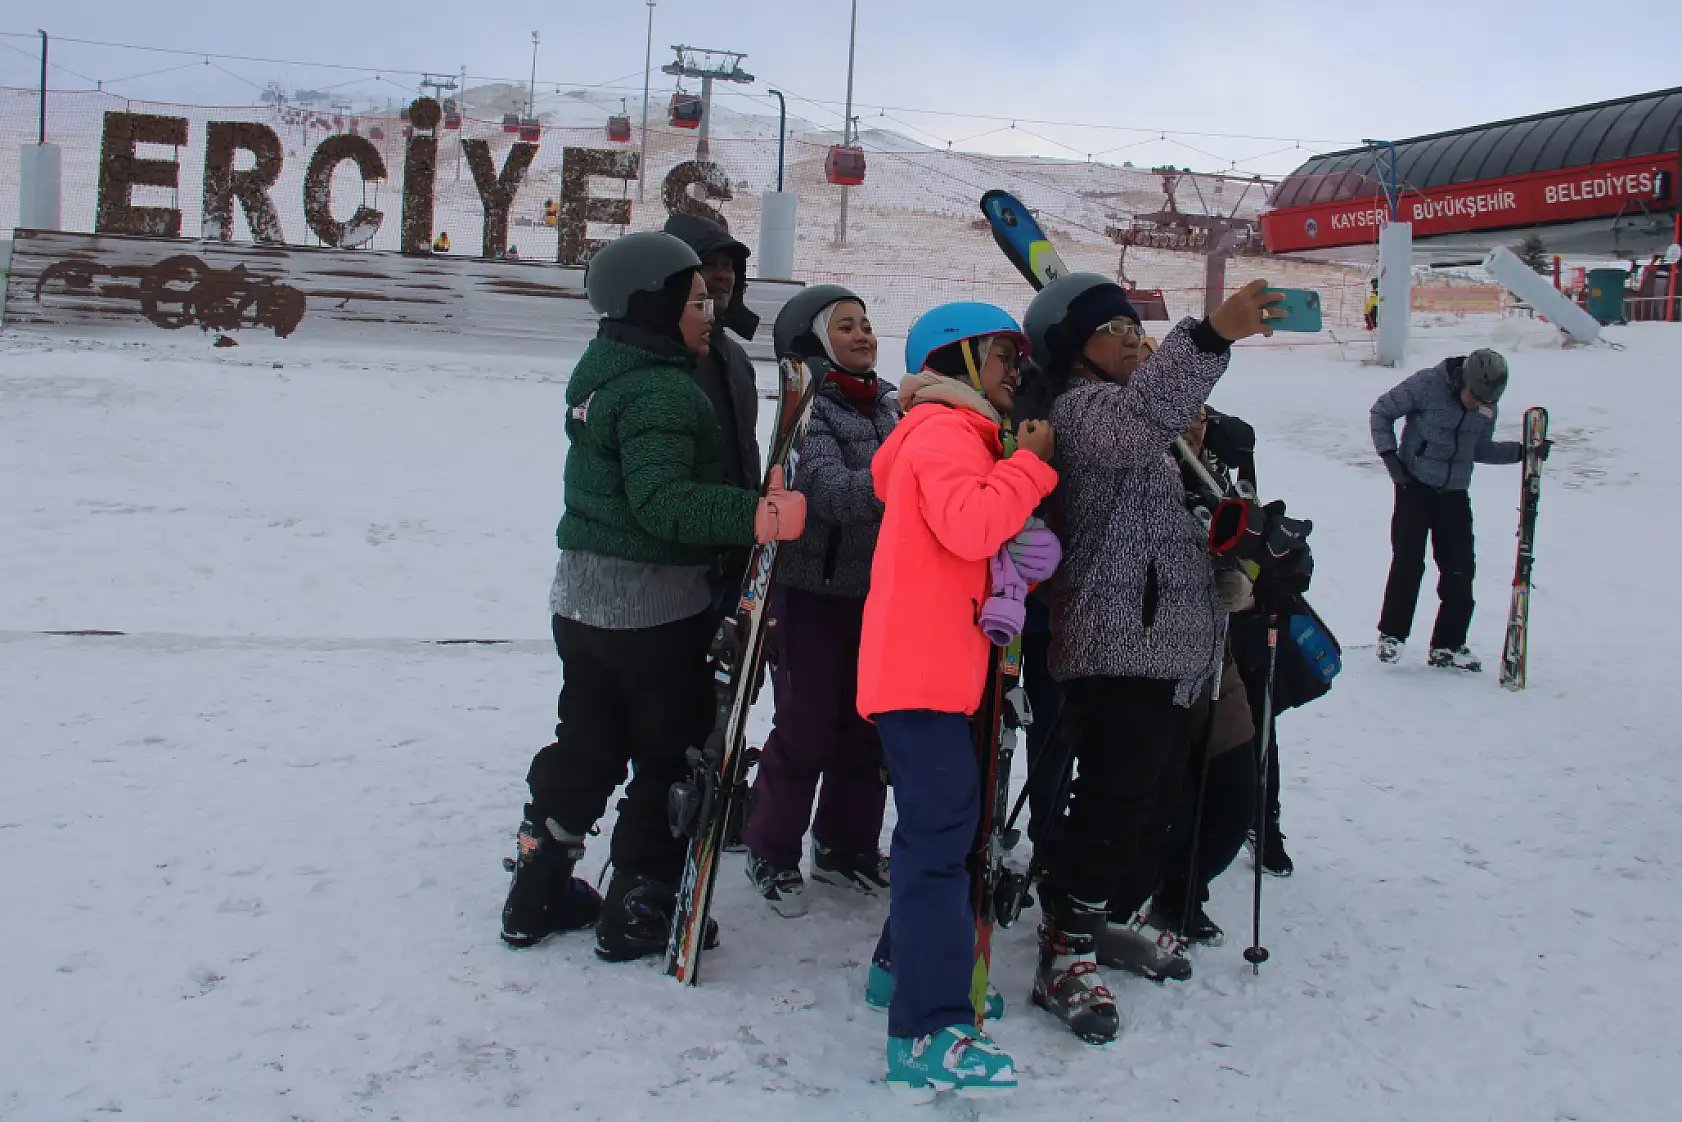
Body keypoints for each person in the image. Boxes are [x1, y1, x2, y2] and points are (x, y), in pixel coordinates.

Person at [497, 232, 807, 961]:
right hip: (653, 610)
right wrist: (754, 517)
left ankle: (538, 883)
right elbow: (662, 504)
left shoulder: (605, 372)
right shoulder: (663, 389)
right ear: (656, 305)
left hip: (582, 603)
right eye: (696, 300)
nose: (711, 311)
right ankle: (641, 898)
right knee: (669, 753)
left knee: (589, 742)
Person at [1024, 273, 1279, 1044]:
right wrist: (1210, 336)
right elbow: (1136, 423)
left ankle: (1100, 922)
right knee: (1113, 803)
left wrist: (1231, 558)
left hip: (1174, 645)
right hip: (1116, 644)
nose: (1136, 341)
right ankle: (1062, 949)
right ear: (1077, 351)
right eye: (1119, 332)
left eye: (1141, 329)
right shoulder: (1084, 410)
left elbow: (1164, 517)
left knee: (1153, 805)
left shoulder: (1156, 434)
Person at [860, 303, 1058, 1097]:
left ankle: (897, 970)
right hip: (923, 675)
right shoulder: (942, 433)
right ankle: (928, 1028)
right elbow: (972, 525)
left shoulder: (960, 435)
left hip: (938, 670)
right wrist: (1031, 468)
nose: (1017, 369)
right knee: (941, 845)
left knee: (937, 836)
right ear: (962, 360)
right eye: (1004, 354)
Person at [740, 286, 898, 917]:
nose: (864, 335)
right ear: (815, 338)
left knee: (866, 728)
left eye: (867, 323)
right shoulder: (809, 410)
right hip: (811, 595)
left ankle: (844, 845)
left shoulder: (888, 407)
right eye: (847, 326)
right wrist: (910, 473)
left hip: (876, 598)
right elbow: (831, 491)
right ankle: (771, 847)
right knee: (805, 728)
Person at [1370, 349, 1541, 670]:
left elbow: (1480, 448)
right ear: (1463, 379)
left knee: (1460, 568)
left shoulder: (1486, 405)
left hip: (1455, 492)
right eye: (1474, 396)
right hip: (1414, 485)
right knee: (1408, 562)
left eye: (1485, 400)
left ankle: (1448, 645)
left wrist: (1522, 452)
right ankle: (1391, 635)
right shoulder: (1427, 384)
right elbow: (1381, 412)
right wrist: (1390, 458)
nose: (1477, 403)